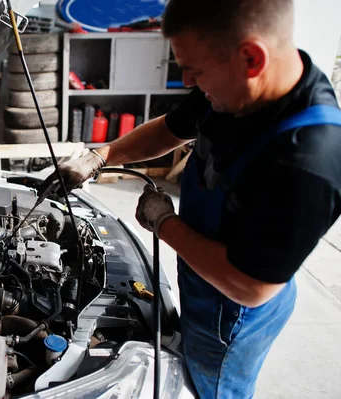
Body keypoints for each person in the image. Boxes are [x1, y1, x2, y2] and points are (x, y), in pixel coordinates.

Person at [39, 0, 341, 397]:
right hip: (208, 278)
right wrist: (101, 156)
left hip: (232, 314)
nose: (186, 82)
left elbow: (252, 287)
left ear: (251, 57)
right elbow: (170, 130)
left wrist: (165, 223)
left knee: (213, 388)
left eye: (195, 70)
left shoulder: (310, 160)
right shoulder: (239, 85)